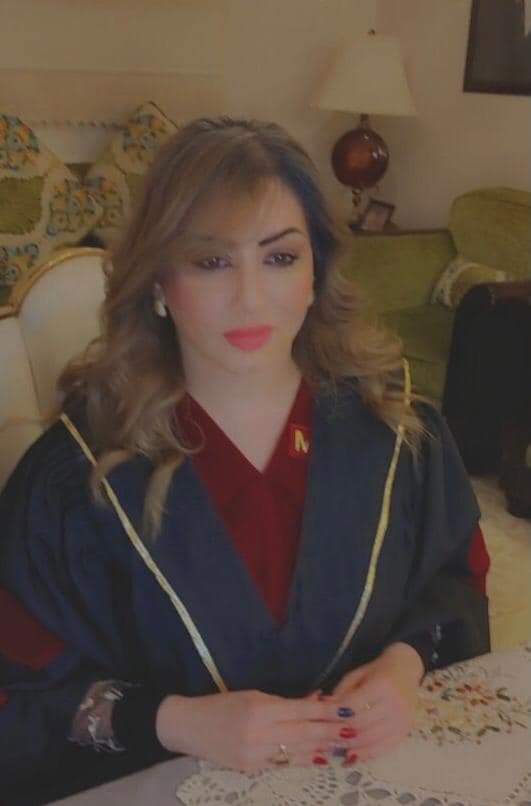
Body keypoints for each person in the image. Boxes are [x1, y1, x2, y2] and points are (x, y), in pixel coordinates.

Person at [0, 116, 490, 804]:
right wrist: (176, 721)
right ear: (158, 282)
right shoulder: (74, 477)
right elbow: (20, 687)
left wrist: (402, 666)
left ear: (316, 272)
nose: (250, 297)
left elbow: (452, 581)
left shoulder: (400, 435)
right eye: (211, 262)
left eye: (279, 257)